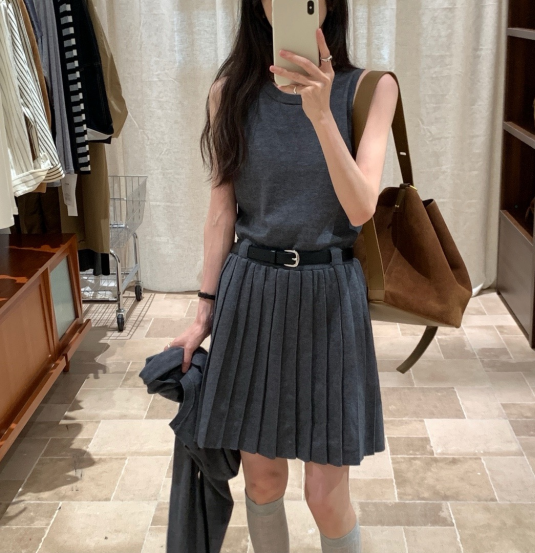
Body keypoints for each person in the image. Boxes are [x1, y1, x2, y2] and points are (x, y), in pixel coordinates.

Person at [165, 0, 398, 551]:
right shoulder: (231, 93)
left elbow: (360, 207)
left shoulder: (370, 89)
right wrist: (203, 313)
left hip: (329, 297)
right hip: (253, 295)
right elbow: (221, 212)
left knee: (325, 495)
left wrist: (321, 114)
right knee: (263, 481)